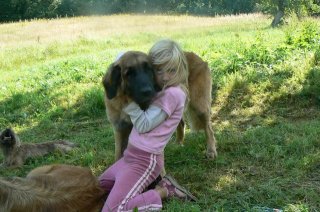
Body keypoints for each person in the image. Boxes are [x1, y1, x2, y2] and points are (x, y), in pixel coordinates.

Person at [99, 39, 196, 212]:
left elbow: (144, 125)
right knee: (98, 189)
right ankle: (136, 187)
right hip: (131, 156)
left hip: (145, 160)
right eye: (159, 70)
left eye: (171, 70)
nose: (165, 76)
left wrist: (129, 103)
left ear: (181, 69)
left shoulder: (173, 94)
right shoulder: (162, 90)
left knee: (113, 209)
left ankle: (164, 191)